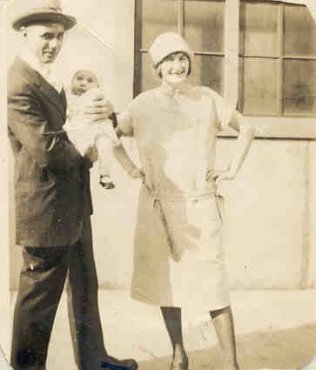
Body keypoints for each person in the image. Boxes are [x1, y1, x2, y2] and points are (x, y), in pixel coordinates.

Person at [7, 1, 137, 369]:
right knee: (39, 300)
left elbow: (76, 119)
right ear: (25, 33)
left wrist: (106, 113)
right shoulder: (18, 82)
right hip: (47, 210)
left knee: (84, 288)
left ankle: (94, 362)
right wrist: (90, 152)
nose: (54, 43)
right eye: (46, 35)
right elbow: (48, 149)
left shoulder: (46, 75)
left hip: (72, 204)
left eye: (60, 36)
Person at [115, 32, 255, 370]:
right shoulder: (141, 104)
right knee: (167, 287)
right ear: (157, 67)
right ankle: (179, 354)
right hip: (159, 206)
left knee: (214, 289)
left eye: (182, 59)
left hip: (200, 206)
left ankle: (230, 364)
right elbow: (109, 136)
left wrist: (232, 168)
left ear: (189, 64)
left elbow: (247, 127)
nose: (176, 66)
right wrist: (132, 169)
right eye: (168, 60)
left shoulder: (207, 99)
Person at [66, 69, 142, 189]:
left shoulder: (95, 95)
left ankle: (105, 174)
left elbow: (100, 102)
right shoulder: (66, 96)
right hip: (75, 132)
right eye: (79, 78)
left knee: (107, 145)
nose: (83, 83)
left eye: (90, 81)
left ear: (97, 85)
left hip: (96, 129)